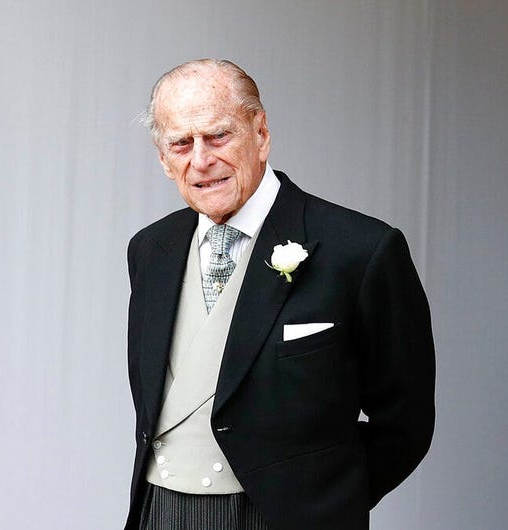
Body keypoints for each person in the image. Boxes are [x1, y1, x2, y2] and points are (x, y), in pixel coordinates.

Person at [125, 59, 435, 530]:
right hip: (161, 513)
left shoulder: (362, 250)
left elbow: (406, 422)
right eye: (181, 143)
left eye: (218, 136)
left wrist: (324, 501)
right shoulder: (150, 250)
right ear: (164, 159)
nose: (201, 160)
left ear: (261, 133)